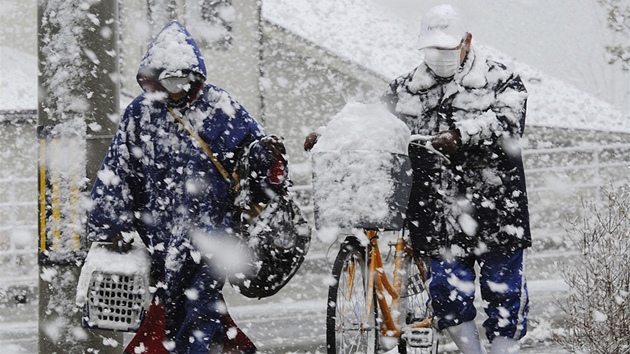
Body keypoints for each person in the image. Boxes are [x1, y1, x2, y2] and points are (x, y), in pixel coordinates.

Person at [305, 4, 530, 354]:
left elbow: (507, 123)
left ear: (466, 42)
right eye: (431, 50)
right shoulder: (407, 89)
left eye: (446, 48)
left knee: (504, 292)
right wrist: (328, 135)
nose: (438, 57)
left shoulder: (501, 81)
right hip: (435, 209)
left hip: (495, 206)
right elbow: (371, 123)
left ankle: (502, 350)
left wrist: (461, 135)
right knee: (446, 292)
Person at [87, 21, 286, 354]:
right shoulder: (141, 112)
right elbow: (119, 171)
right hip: (159, 234)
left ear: (196, 77)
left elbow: (254, 152)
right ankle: (218, 346)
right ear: (154, 77)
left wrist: (267, 160)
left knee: (198, 305)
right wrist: (112, 226)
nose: (177, 88)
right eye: (169, 80)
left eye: (183, 79)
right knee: (176, 306)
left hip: (211, 231)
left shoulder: (220, 106)